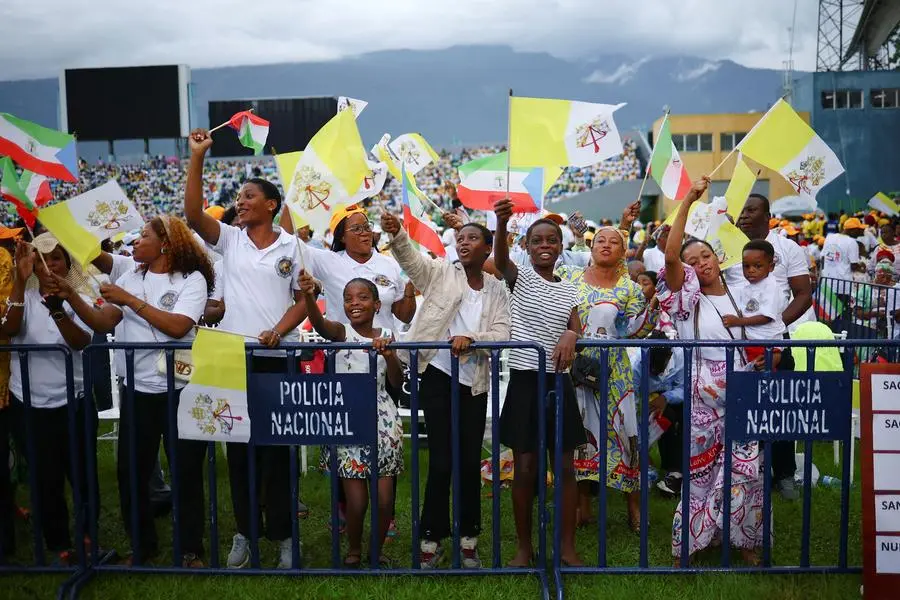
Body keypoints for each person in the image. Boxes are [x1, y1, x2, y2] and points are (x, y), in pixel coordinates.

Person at [184, 128, 308, 570]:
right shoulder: (230, 240)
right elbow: (194, 213)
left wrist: (278, 329)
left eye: (249, 195)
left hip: (277, 362)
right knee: (237, 452)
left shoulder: (294, 247)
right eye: (240, 195)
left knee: (277, 454)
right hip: (231, 363)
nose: (241, 200)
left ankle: (284, 538)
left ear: (271, 205)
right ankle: (244, 534)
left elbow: (303, 299)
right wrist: (197, 156)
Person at [380, 211, 510, 569]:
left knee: (469, 462)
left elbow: (501, 334)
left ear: (487, 248)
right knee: (440, 461)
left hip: (475, 382)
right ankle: (430, 539)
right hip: (437, 374)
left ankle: (469, 539)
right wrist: (398, 234)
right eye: (461, 238)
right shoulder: (440, 271)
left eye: (472, 238)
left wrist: (472, 340)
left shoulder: (497, 289)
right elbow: (412, 261)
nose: (463, 242)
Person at [87, 216, 214, 567]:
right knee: (131, 473)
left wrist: (129, 299)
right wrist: (69, 297)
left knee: (186, 472)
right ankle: (143, 548)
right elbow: (103, 322)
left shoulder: (192, 280)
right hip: (138, 390)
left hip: (181, 390)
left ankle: (191, 550)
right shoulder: (131, 275)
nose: (135, 243)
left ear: (166, 244)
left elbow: (177, 327)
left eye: (143, 236)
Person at [660, 176, 763, 566]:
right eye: (693, 261)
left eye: (706, 256)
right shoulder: (687, 300)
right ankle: (688, 548)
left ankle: (746, 543)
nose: (701, 264)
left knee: (746, 470)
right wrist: (688, 200)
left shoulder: (741, 290)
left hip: (743, 393)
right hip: (704, 401)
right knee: (701, 477)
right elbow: (670, 258)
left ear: (717, 257)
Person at [556, 201, 660, 533]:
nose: (605, 244)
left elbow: (637, 330)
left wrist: (652, 309)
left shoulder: (629, 288)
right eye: (600, 239)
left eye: (613, 241)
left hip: (613, 374)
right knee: (579, 435)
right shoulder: (571, 276)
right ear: (591, 245)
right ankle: (581, 507)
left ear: (623, 250)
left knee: (625, 434)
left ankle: (634, 508)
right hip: (573, 369)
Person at [493, 198, 584, 567]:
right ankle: (524, 547)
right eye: (537, 241)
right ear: (527, 247)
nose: (545, 246)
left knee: (564, 468)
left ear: (561, 246)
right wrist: (501, 224)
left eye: (551, 240)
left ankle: (566, 548)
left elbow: (576, 323)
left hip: (558, 383)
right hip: (525, 382)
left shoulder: (570, 287)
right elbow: (499, 261)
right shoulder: (521, 278)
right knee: (526, 467)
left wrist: (571, 336)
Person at [1, 236, 95, 565]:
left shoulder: (79, 295)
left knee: (82, 473)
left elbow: (80, 340)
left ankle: (88, 535)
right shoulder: (23, 292)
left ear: (67, 264)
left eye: (57, 259)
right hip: (28, 403)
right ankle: (57, 542)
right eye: (43, 259)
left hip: (73, 401)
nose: (50, 265)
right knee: (45, 478)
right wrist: (19, 280)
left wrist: (58, 311)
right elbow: (10, 329)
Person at [300, 276, 403, 568]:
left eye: (362, 298)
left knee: (384, 501)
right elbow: (319, 325)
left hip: (382, 419)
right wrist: (309, 296)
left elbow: (396, 381)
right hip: (347, 419)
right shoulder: (341, 333)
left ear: (376, 304)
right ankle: (355, 549)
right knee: (357, 502)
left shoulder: (387, 334)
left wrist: (390, 355)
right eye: (349, 299)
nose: (355, 303)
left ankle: (376, 549)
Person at [731, 194, 813, 500]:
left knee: (779, 408)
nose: (745, 215)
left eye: (752, 210)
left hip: (776, 343)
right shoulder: (727, 246)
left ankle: (784, 473)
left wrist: (772, 328)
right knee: (741, 408)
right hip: (738, 345)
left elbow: (803, 293)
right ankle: (744, 470)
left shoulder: (788, 247)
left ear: (768, 215)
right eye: (742, 210)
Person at [630, 331, 685, 497]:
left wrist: (666, 398)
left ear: (669, 356)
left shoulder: (681, 354)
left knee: (681, 415)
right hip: (645, 401)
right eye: (651, 369)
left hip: (671, 397)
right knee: (652, 422)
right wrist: (640, 448)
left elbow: (686, 387)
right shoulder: (636, 365)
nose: (655, 371)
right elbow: (632, 407)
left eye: (659, 368)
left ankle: (675, 471)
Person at [721, 240, 786, 366]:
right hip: (752, 342)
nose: (751, 270)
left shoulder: (771, 287)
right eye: (746, 266)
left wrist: (738, 321)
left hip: (766, 343)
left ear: (771, 266)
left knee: (760, 379)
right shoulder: (749, 286)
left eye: (757, 266)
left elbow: (766, 317)